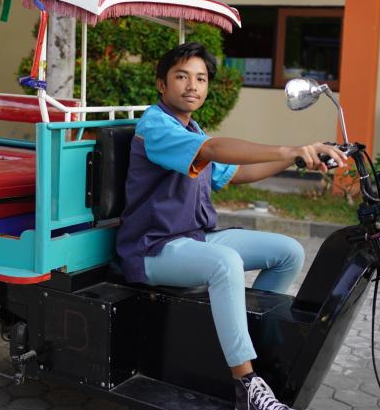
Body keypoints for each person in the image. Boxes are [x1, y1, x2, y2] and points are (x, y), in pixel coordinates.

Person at [117, 42, 347, 410]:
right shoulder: (155, 125)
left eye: (201, 78)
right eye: (181, 76)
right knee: (225, 262)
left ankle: (245, 349)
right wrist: (286, 149)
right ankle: (246, 384)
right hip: (153, 249)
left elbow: (236, 172)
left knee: (288, 252)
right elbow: (211, 150)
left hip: (195, 238)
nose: (192, 85)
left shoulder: (192, 128)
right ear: (161, 84)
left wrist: (299, 160)